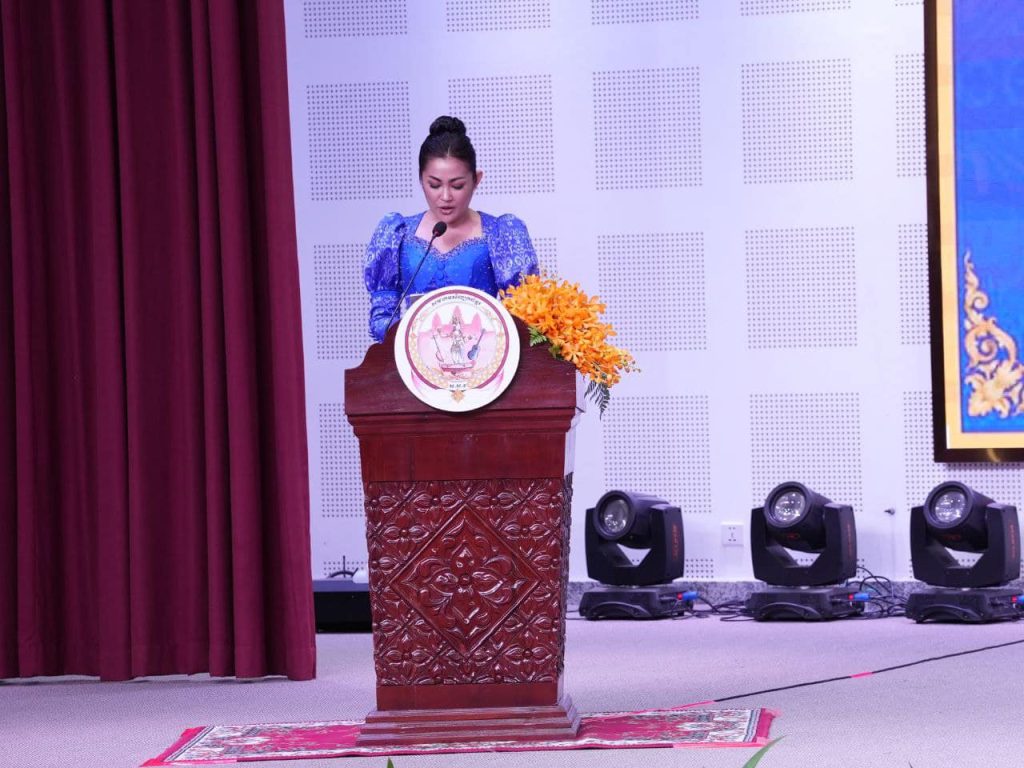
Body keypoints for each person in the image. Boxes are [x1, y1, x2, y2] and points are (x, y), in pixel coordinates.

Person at [363, 115, 539, 342]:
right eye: (434, 185)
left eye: (457, 186)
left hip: (484, 357)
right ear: (421, 180)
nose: (445, 196)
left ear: (476, 180)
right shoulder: (398, 234)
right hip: (414, 359)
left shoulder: (501, 234)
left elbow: (522, 320)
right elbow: (382, 322)